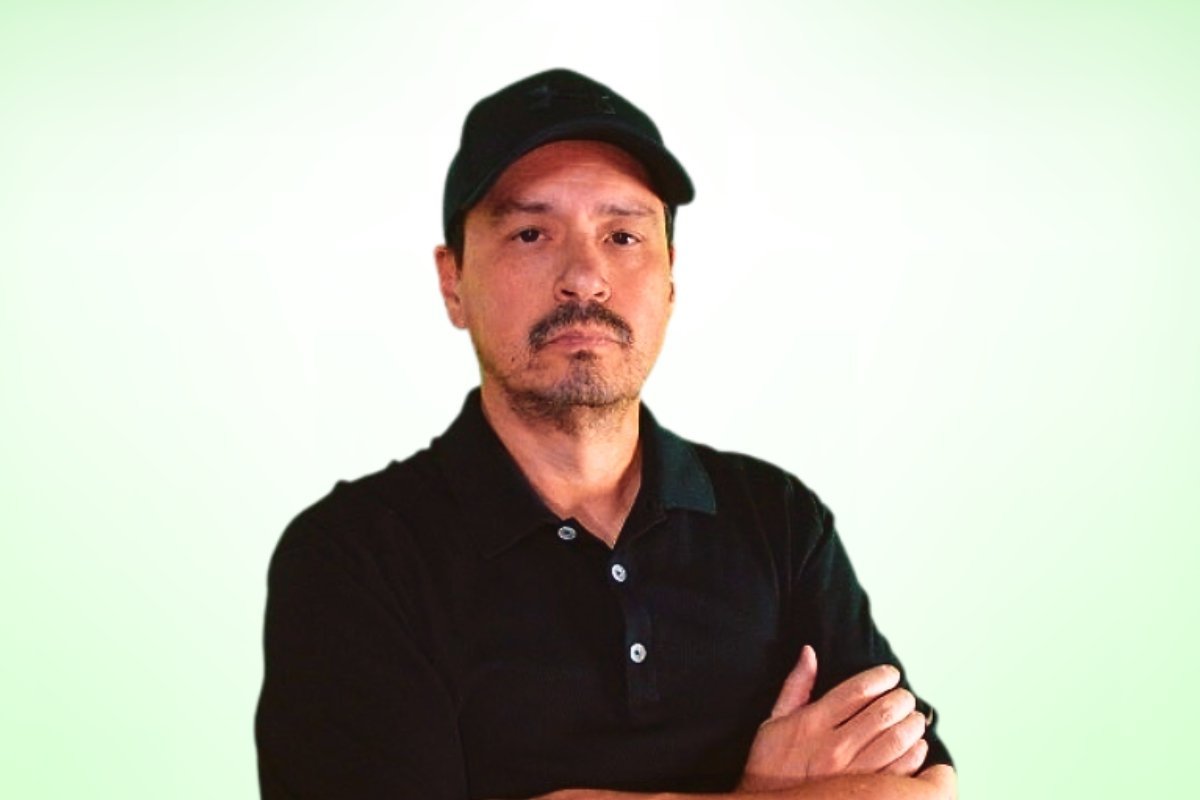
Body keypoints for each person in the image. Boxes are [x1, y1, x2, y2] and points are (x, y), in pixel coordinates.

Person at [255, 68, 956, 800]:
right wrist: (760, 793)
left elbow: (927, 790)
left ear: (671, 278)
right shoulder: (354, 556)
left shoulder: (777, 523)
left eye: (622, 235)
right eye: (531, 233)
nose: (585, 278)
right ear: (452, 280)